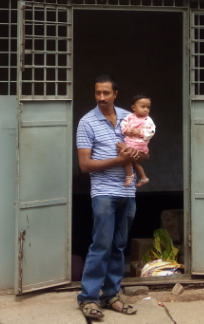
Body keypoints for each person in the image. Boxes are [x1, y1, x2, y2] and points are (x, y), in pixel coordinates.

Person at [76, 75, 146, 321]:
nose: (102, 97)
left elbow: (145, 155)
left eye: (106, 93)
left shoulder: (131, 118)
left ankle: (111, 295)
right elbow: (84, 165)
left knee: (118, 246)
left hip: (128, 192)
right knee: (101, 245)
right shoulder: (87, 122)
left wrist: (134, 155)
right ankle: (88, 298)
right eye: (98, 93)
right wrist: (118, 160)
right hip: (104, 193)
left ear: (115, 93)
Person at [118, 94, 155, 187]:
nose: (146, 109)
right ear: (134, 107)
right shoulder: (129, 117)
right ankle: (143, 177)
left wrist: (140, 133)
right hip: (130, 141)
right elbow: (123, 124)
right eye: (143, 107)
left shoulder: (148, 120)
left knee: (125, 153)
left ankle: (129, 175)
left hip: (139, 143)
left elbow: (151, 131)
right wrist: (127, 130)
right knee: (133, 161)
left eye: (148, 107)